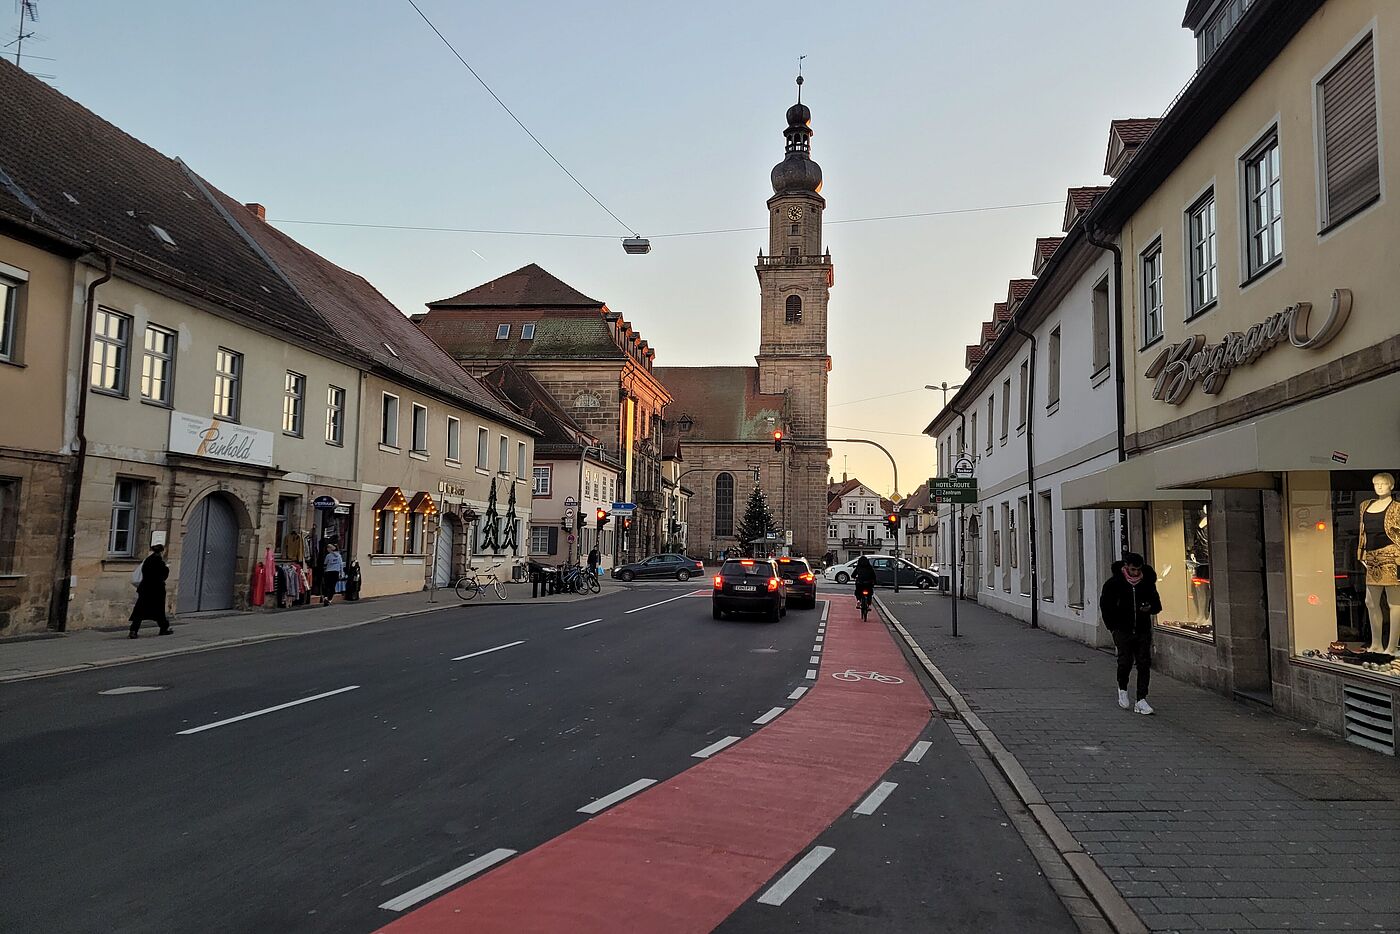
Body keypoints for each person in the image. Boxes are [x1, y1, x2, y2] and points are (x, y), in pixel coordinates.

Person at [1100, 551, 1162, 715]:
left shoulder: (1147, 583)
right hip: (1122, 629)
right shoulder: (1113, 584)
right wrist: (1112, 627)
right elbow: (1105, 606)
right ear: (1126, 567)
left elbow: (1157, 604)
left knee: (1144, 663)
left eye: (1138, 570)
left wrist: (1149, 608)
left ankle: (1141, 699)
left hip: (1142, 629)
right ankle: (1122, 688)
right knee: (1125, 661)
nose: (1136, 573)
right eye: (1133, 570)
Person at [129, 544, 171, 638]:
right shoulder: (160, 562)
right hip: (156, 590)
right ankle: (164, 628)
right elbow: (163, 575)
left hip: (145, 589)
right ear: (161, 551)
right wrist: (167, 567)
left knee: (139, 611)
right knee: (159, 611)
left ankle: (133, 631)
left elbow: (144, 572)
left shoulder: (147, 560)